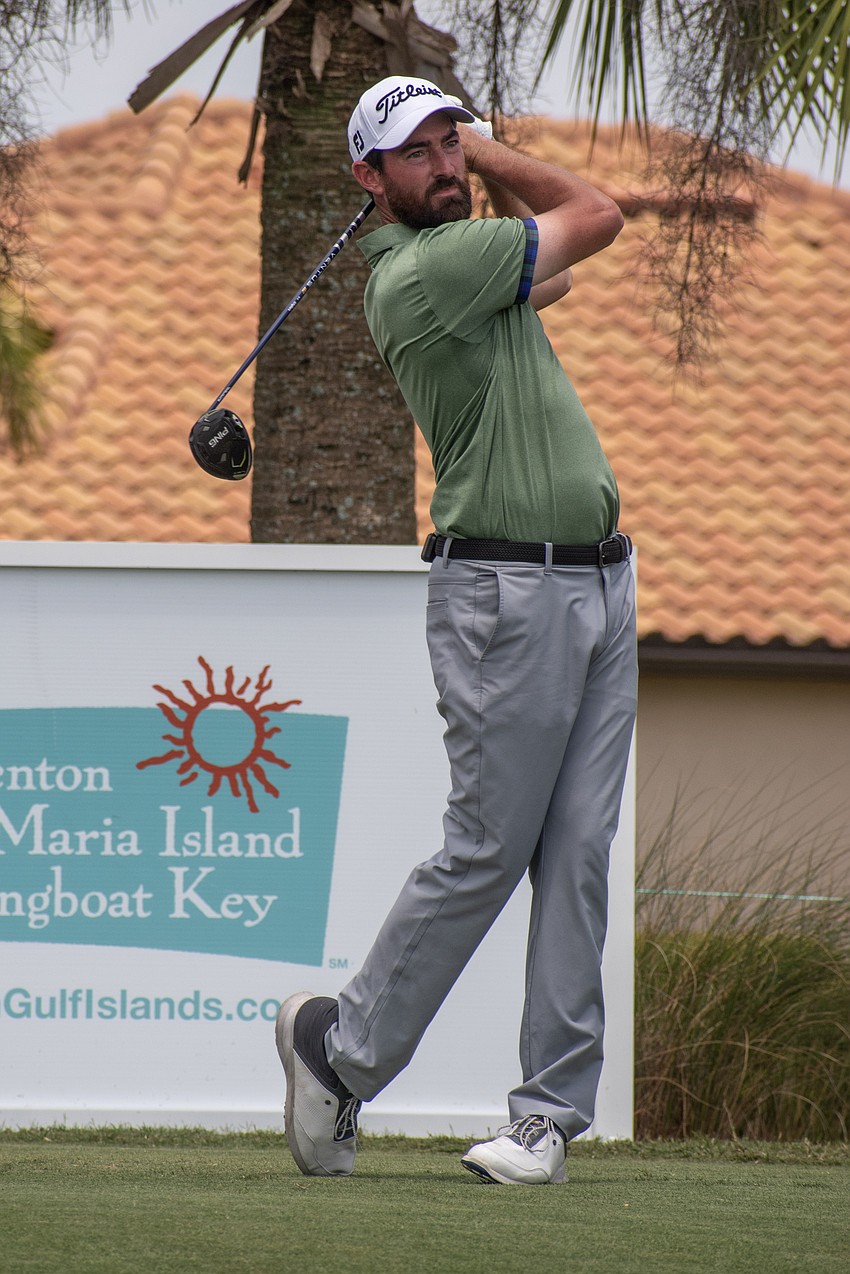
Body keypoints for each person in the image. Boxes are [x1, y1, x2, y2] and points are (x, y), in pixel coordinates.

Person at [276, 75, 638, 1186]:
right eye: (420, 150)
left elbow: (555, 270)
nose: (444, 163)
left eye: (449, 141)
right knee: (488, 848)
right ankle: (339, 1050)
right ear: (368, 177)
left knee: (576, 857)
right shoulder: (427, 271)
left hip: (599, 585)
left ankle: (545, 1121)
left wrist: (475, 166)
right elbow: (595, 215)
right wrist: (487, 146)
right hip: (504, 596)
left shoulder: (475, 268)